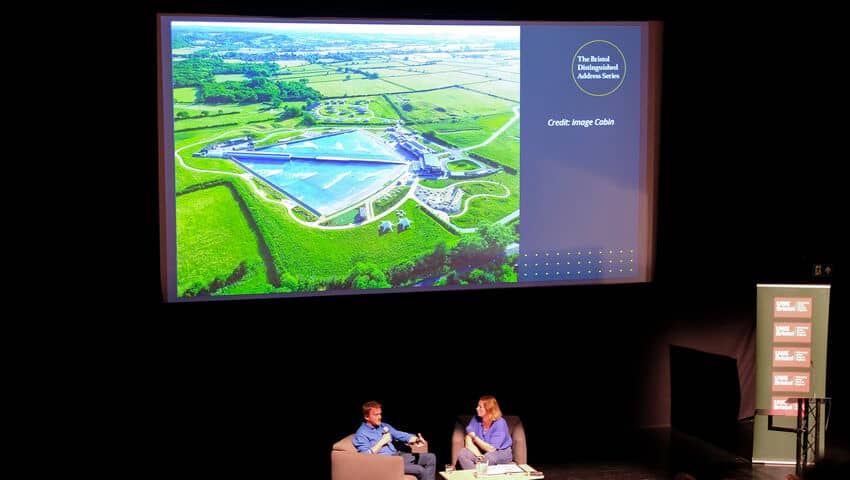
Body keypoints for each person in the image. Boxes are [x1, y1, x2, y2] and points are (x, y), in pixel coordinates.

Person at [353, 400, 436, 480]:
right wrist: (382, 442)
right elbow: (365, 457)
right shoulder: (361, 434)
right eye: (376, 415)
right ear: (366, 417)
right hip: (386, 463)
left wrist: (416, 440)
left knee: (430, 457)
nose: (380, 417)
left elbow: (400, 435)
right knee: (420, 470)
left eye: (380, 414)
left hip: (398, 456)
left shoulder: (383, 426)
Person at [457, 395, 513, 469]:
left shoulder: (500, 423)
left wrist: (475, 437)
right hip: (480, 451)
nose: (477, 408)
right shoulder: (475, 419)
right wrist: (479, 456)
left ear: (488, 409)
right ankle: (474, 476)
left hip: (500, 453)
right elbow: (468, 439)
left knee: (488, 458)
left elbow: (491, 449)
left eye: (480, 407)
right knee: (463, 453)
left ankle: (478, 473)